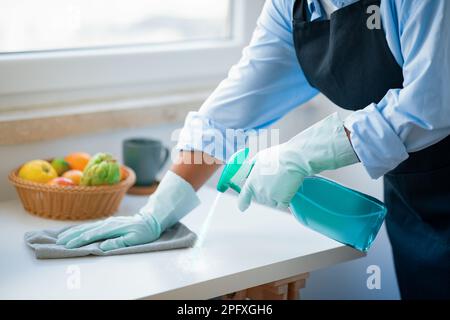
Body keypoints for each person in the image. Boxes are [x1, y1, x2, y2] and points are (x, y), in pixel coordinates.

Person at [57, 0, 450, 299]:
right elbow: (233, 109)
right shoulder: (291, 7)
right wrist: (160, 208)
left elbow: (433, 101)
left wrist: (303, 152)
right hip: (415, 193)